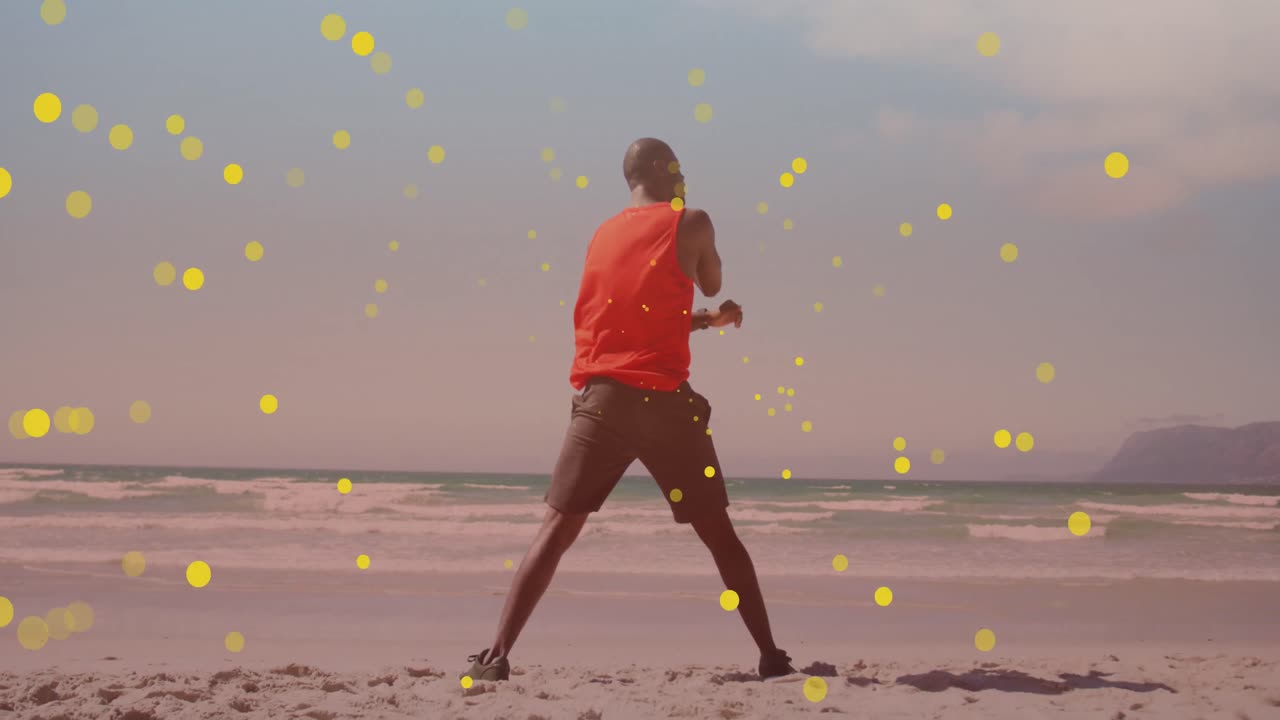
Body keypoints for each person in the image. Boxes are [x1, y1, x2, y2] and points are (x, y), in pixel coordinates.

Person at [462, 138, 795, 683]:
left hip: (604, 404)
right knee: (718, 533)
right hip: (666, 407)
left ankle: (496, 655)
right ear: (669, 173)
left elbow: (641, 320)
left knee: (556, 529)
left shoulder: (602, 234)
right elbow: (711, 280)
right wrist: (713, 291)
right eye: (680, 170)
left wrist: (708, 323)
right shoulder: (692, 221)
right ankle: (770, 655)